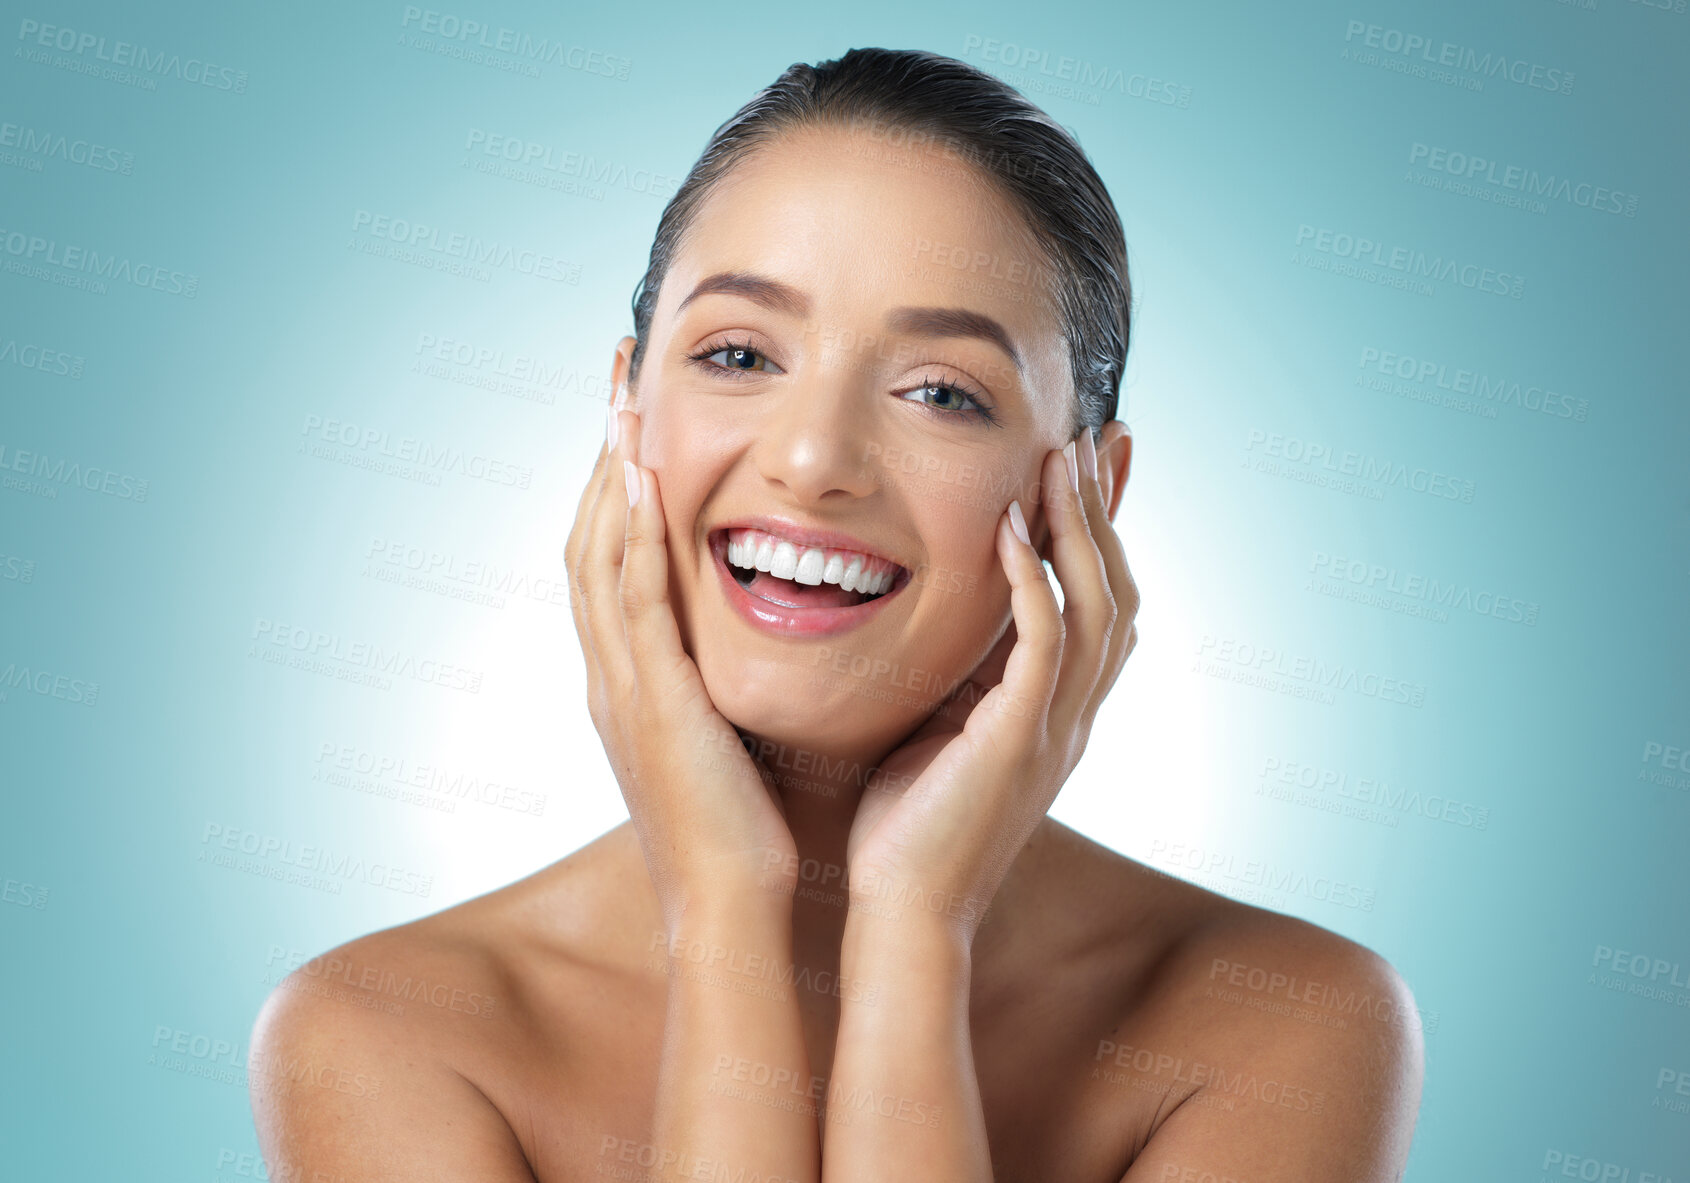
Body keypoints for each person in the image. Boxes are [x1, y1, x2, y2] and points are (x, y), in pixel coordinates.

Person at [249, 47, 1423, 1181]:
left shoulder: (1281, 1028)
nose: (813, 461)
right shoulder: (384, 1035)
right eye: (739, 354)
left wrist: (916, 931)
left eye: (941, 392)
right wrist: (723, 904)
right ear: (625, 407)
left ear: (1087, 492)